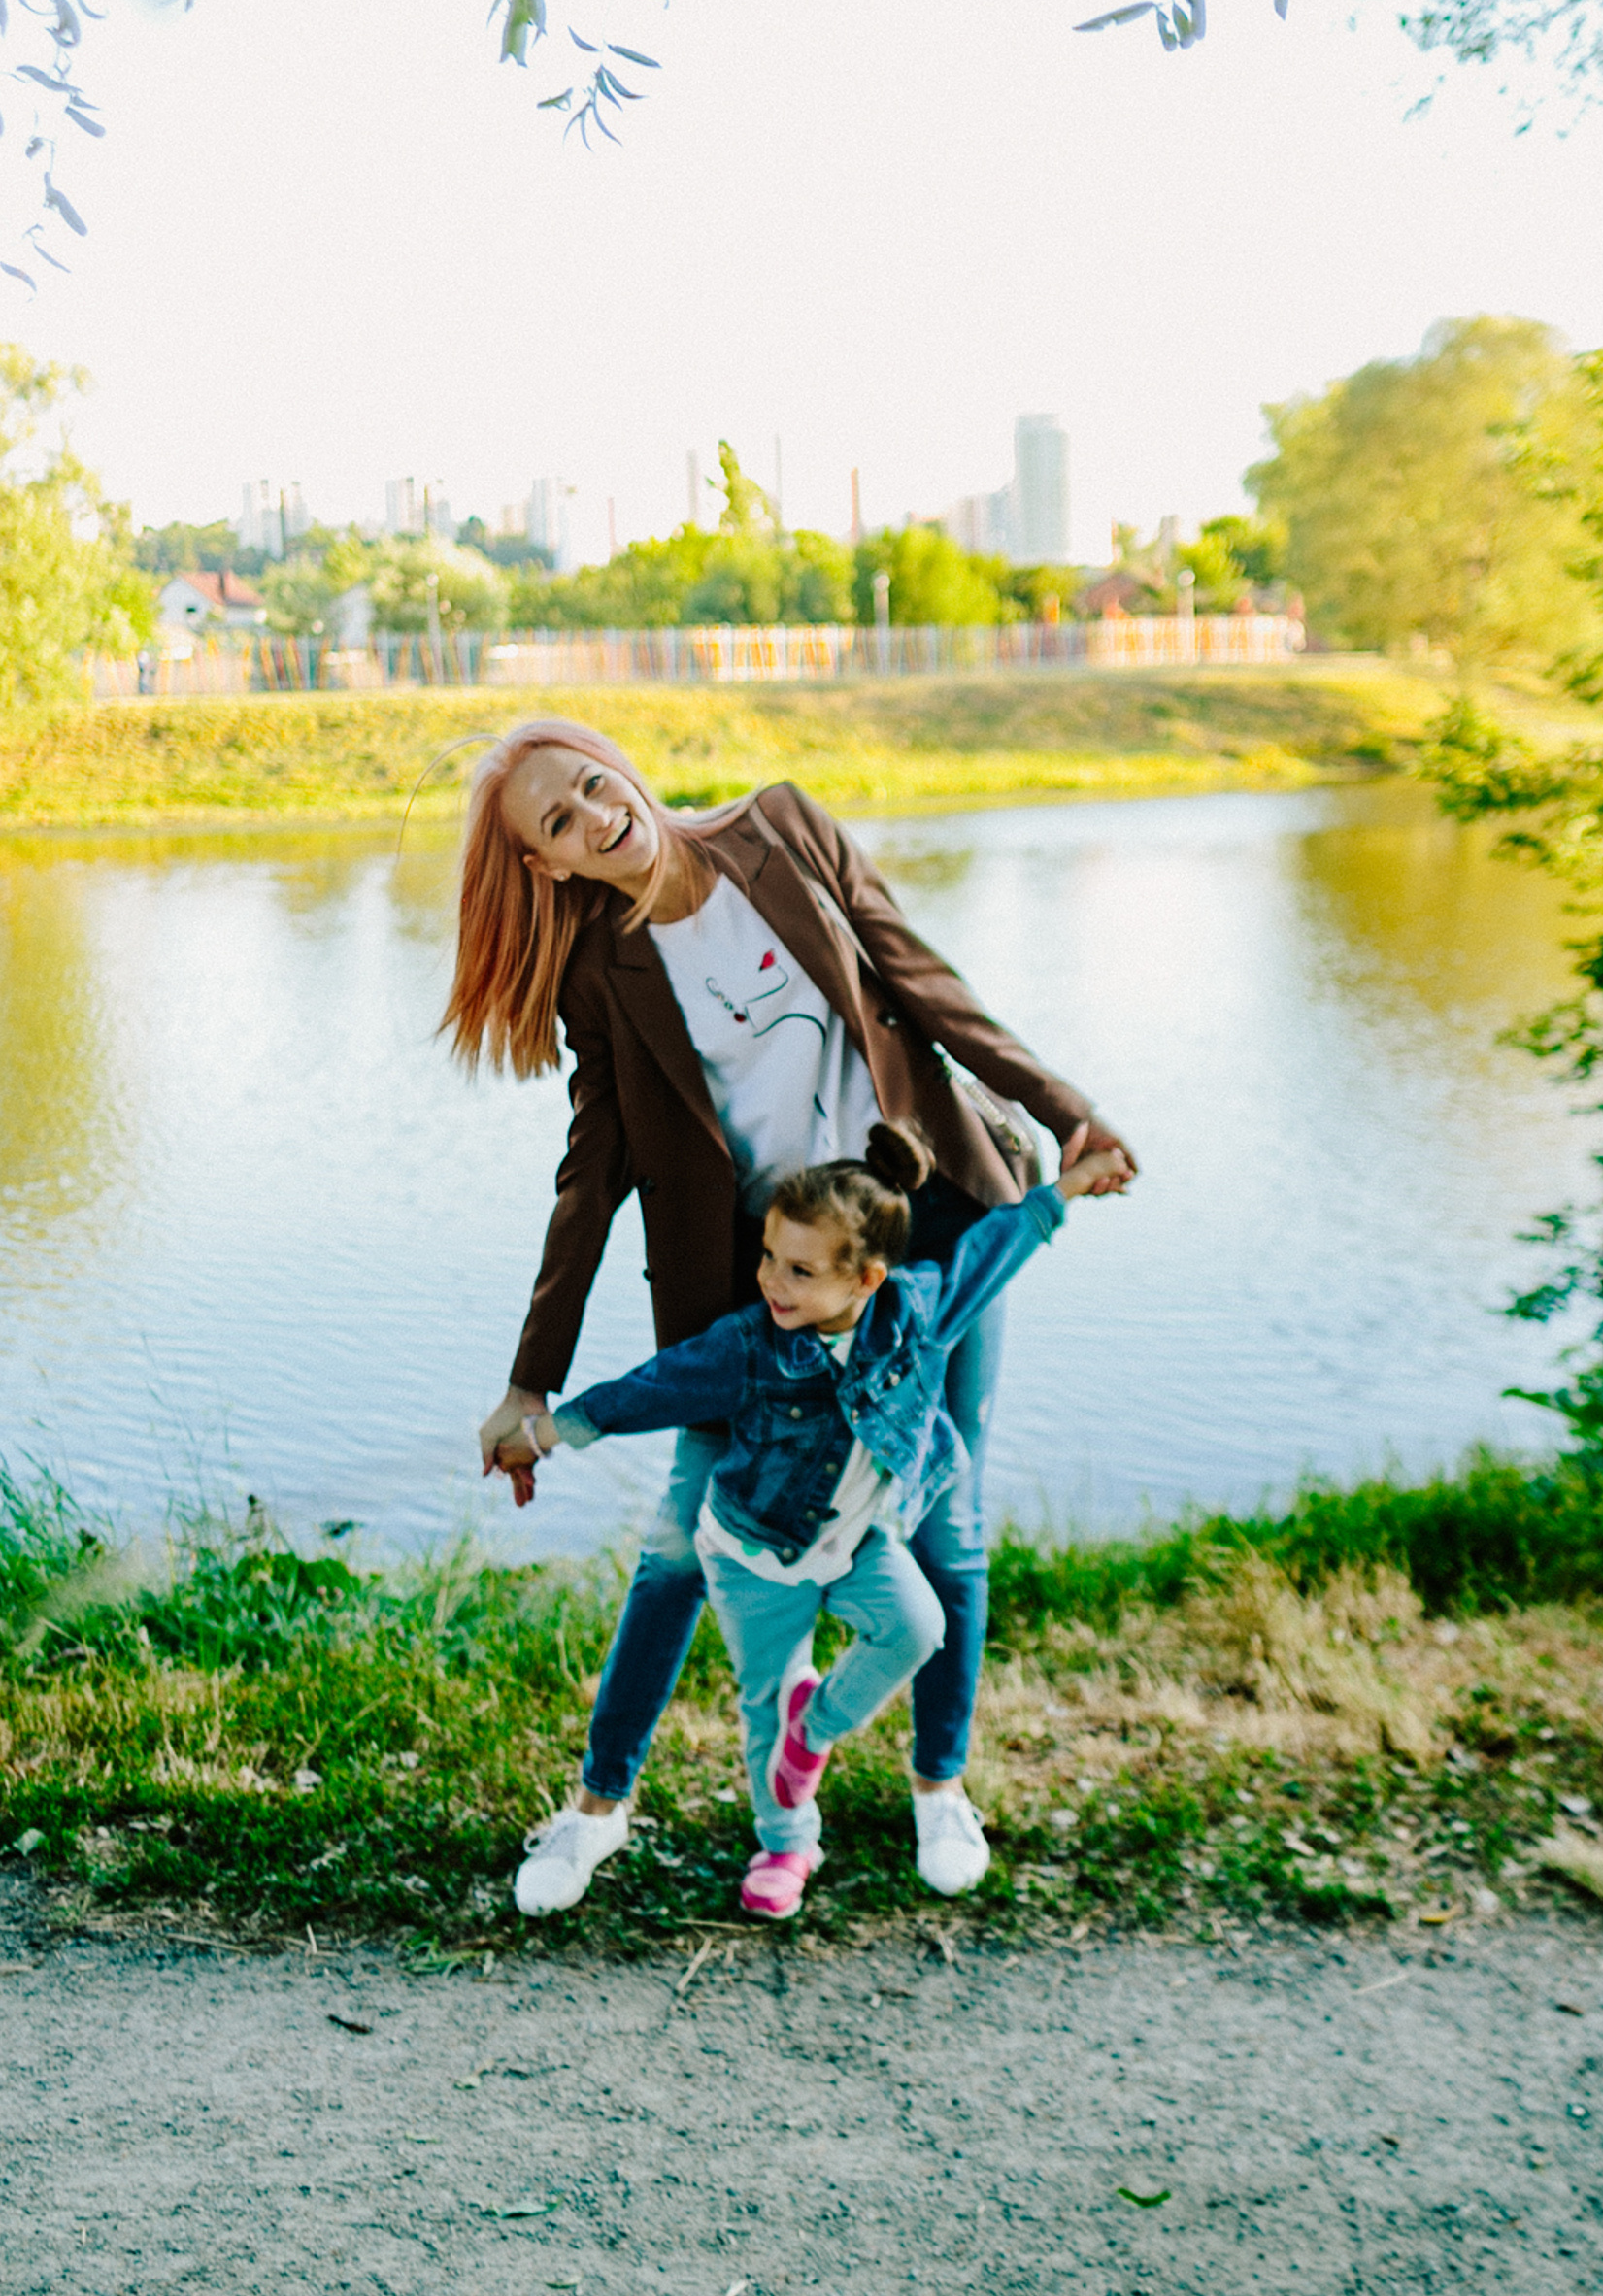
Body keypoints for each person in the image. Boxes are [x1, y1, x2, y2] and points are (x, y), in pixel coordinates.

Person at [443, 718, 1136, 1913]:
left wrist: (1064, 1109)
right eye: (557, 822)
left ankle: (938, 1787)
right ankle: (596, 1810)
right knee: (675, 1549)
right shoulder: (598, 978)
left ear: (622, 766)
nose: (597, 815)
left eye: (593, 785)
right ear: (548, 866)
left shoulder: (783, 830)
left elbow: (927, 988)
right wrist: (531, 1380)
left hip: (928, 1241)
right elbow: (591, 1172)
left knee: (947, 1523)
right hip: (754, 1297)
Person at [491, 1119, 1127, 1916]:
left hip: (857, 1544)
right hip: (752, 1556)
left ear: (866, 1279)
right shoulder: (751, 1346)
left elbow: (995, 1246)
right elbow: (648, 1389)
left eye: (798, 1270)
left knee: (917, 1626)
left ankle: (816, 1725)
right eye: (768, 1258)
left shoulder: (916, 1313)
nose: (771, 1283)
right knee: (765, 1703)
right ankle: (787, 1845)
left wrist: (1068, 1186)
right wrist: (539, 1436)